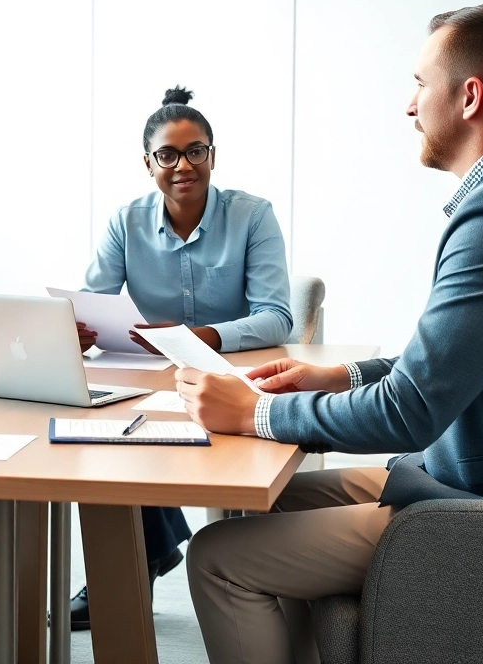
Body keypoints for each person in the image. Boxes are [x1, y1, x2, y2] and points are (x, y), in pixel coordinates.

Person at [176, 0, 483, 664]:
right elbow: (450, 362)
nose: (409, 106)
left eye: (420, 84)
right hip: (480, 473)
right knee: (270, 503)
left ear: (469, 96)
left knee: (217, 556)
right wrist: (340, 375)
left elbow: (412, 410)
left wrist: (260, 414)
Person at [70, 86, 294, 629]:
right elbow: (96, 300)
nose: (183, 165)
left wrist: (202, 337)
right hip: (152, 377)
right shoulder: (127, 221)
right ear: (148, 163)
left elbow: (277, 316)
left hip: (235, 376)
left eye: (196, 151)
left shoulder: (253, 215)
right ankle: (134, 563)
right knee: (109, 435)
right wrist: (79, 328)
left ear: (212, 156)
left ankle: (151, 557)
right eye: (167, 155)